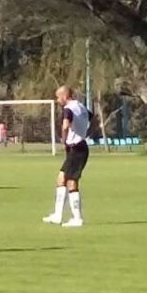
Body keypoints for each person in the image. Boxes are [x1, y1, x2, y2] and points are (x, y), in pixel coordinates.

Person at [43, 86, 90, 228]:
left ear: (64, 96)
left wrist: (64, 140)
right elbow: (92, 118)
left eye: (58, 97)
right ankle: (57, 215)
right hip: (79, 146)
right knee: (61, 178)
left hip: (76, 148)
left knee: (71, 181)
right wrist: (86, 133)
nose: (57, 100)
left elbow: (65, 126)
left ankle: (77, 218)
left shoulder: (68, 109)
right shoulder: (81, 106)